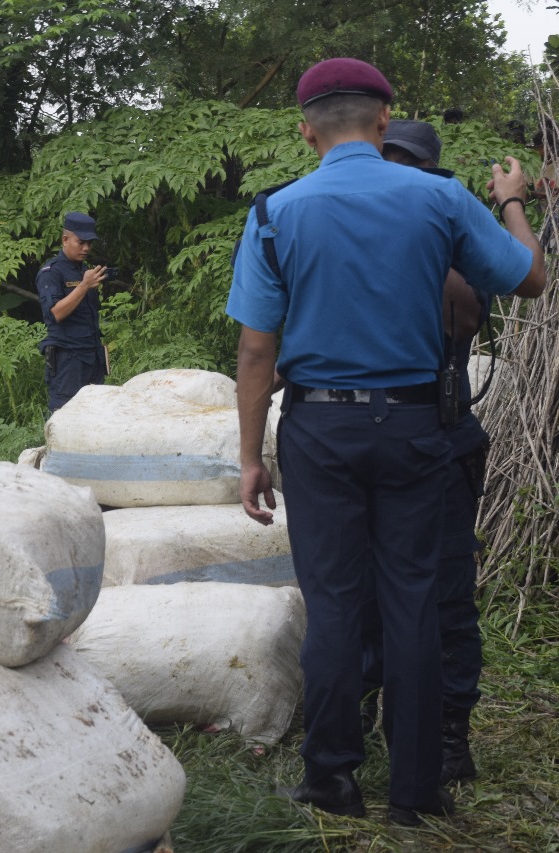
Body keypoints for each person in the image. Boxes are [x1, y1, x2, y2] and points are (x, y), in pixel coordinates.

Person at [228, 58, 545, 825]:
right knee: (413, 601)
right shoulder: (440, 198)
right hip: (414, 426)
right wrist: (511, 202)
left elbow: (256, 351)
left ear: (306, 133)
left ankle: (332, 778)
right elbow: (529, 279)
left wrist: (249, 457)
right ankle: (416, 790)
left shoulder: (274, 213)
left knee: (335, 604)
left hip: (319, 430)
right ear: (381, 120)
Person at [359, 119, 490, 786]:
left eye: (407, 167)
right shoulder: (353, 231)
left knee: (445, 593)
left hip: (441, 434)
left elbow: (467, 314)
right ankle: (362, 719)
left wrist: (426, 245)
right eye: (386, 164)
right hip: (364, 438)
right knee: (362, 591)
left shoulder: (456, 235)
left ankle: (447, 735)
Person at [35, 212, 110, 412]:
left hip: (92, 357)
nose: (86, 248)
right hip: (68, 361)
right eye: (81, 242)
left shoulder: (84, 270)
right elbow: (56, 313)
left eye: (90, 243)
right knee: (64, 417)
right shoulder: (51, 272)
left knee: (95, 415)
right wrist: (84, 286)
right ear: (65, 240)